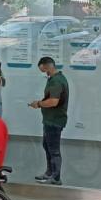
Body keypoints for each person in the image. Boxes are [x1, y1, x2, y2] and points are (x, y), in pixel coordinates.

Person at [29, 56, 68, 186]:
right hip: (50, 120)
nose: (45, 72)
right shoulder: (54, 79)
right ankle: (49, 172)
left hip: (54, 120)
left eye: (44, 69)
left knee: (54, 149)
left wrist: (39, 104)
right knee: (47, 146)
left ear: (48, 66)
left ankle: (56, 177)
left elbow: (53, 101)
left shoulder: (56, 81)